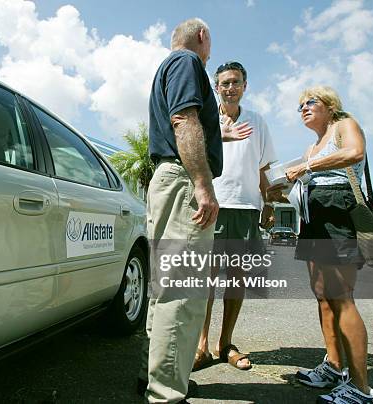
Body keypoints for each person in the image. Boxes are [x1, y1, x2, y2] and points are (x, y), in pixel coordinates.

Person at [138, 18, 222, 403]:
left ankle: (156, 378)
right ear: (202, 36)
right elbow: (184, 120)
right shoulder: (188, 62)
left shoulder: (168, 67)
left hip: (166, 179)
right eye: (210, 43)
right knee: (182, 290)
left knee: (164, 287)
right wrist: (202, 184)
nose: (209, 51)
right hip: (183, 178)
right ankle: (166, 394)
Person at [284, 86, 373, 403]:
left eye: (310, 102)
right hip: (313, 217)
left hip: (338, 212)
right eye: (300, 106)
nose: (304, 108)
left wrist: (306, 168)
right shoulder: (311, 147)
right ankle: (335, 367)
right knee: (323, 296)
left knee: (341, 298)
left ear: (330, 105)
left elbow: (354, 152)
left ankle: (362, 390)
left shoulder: (343, 124)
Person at [192, 61, 277, 372]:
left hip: (246, 208)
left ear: (245, 86)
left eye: (236, 82)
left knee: (237, 280)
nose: (230, 87)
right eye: (225, 82)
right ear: (217, 88)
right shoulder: (204, 119)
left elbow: (262, 168)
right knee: (207, 280)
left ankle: (225, 343)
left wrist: (267, 202)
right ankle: (201, 346)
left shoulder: (258, 122)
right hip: (212, 204)